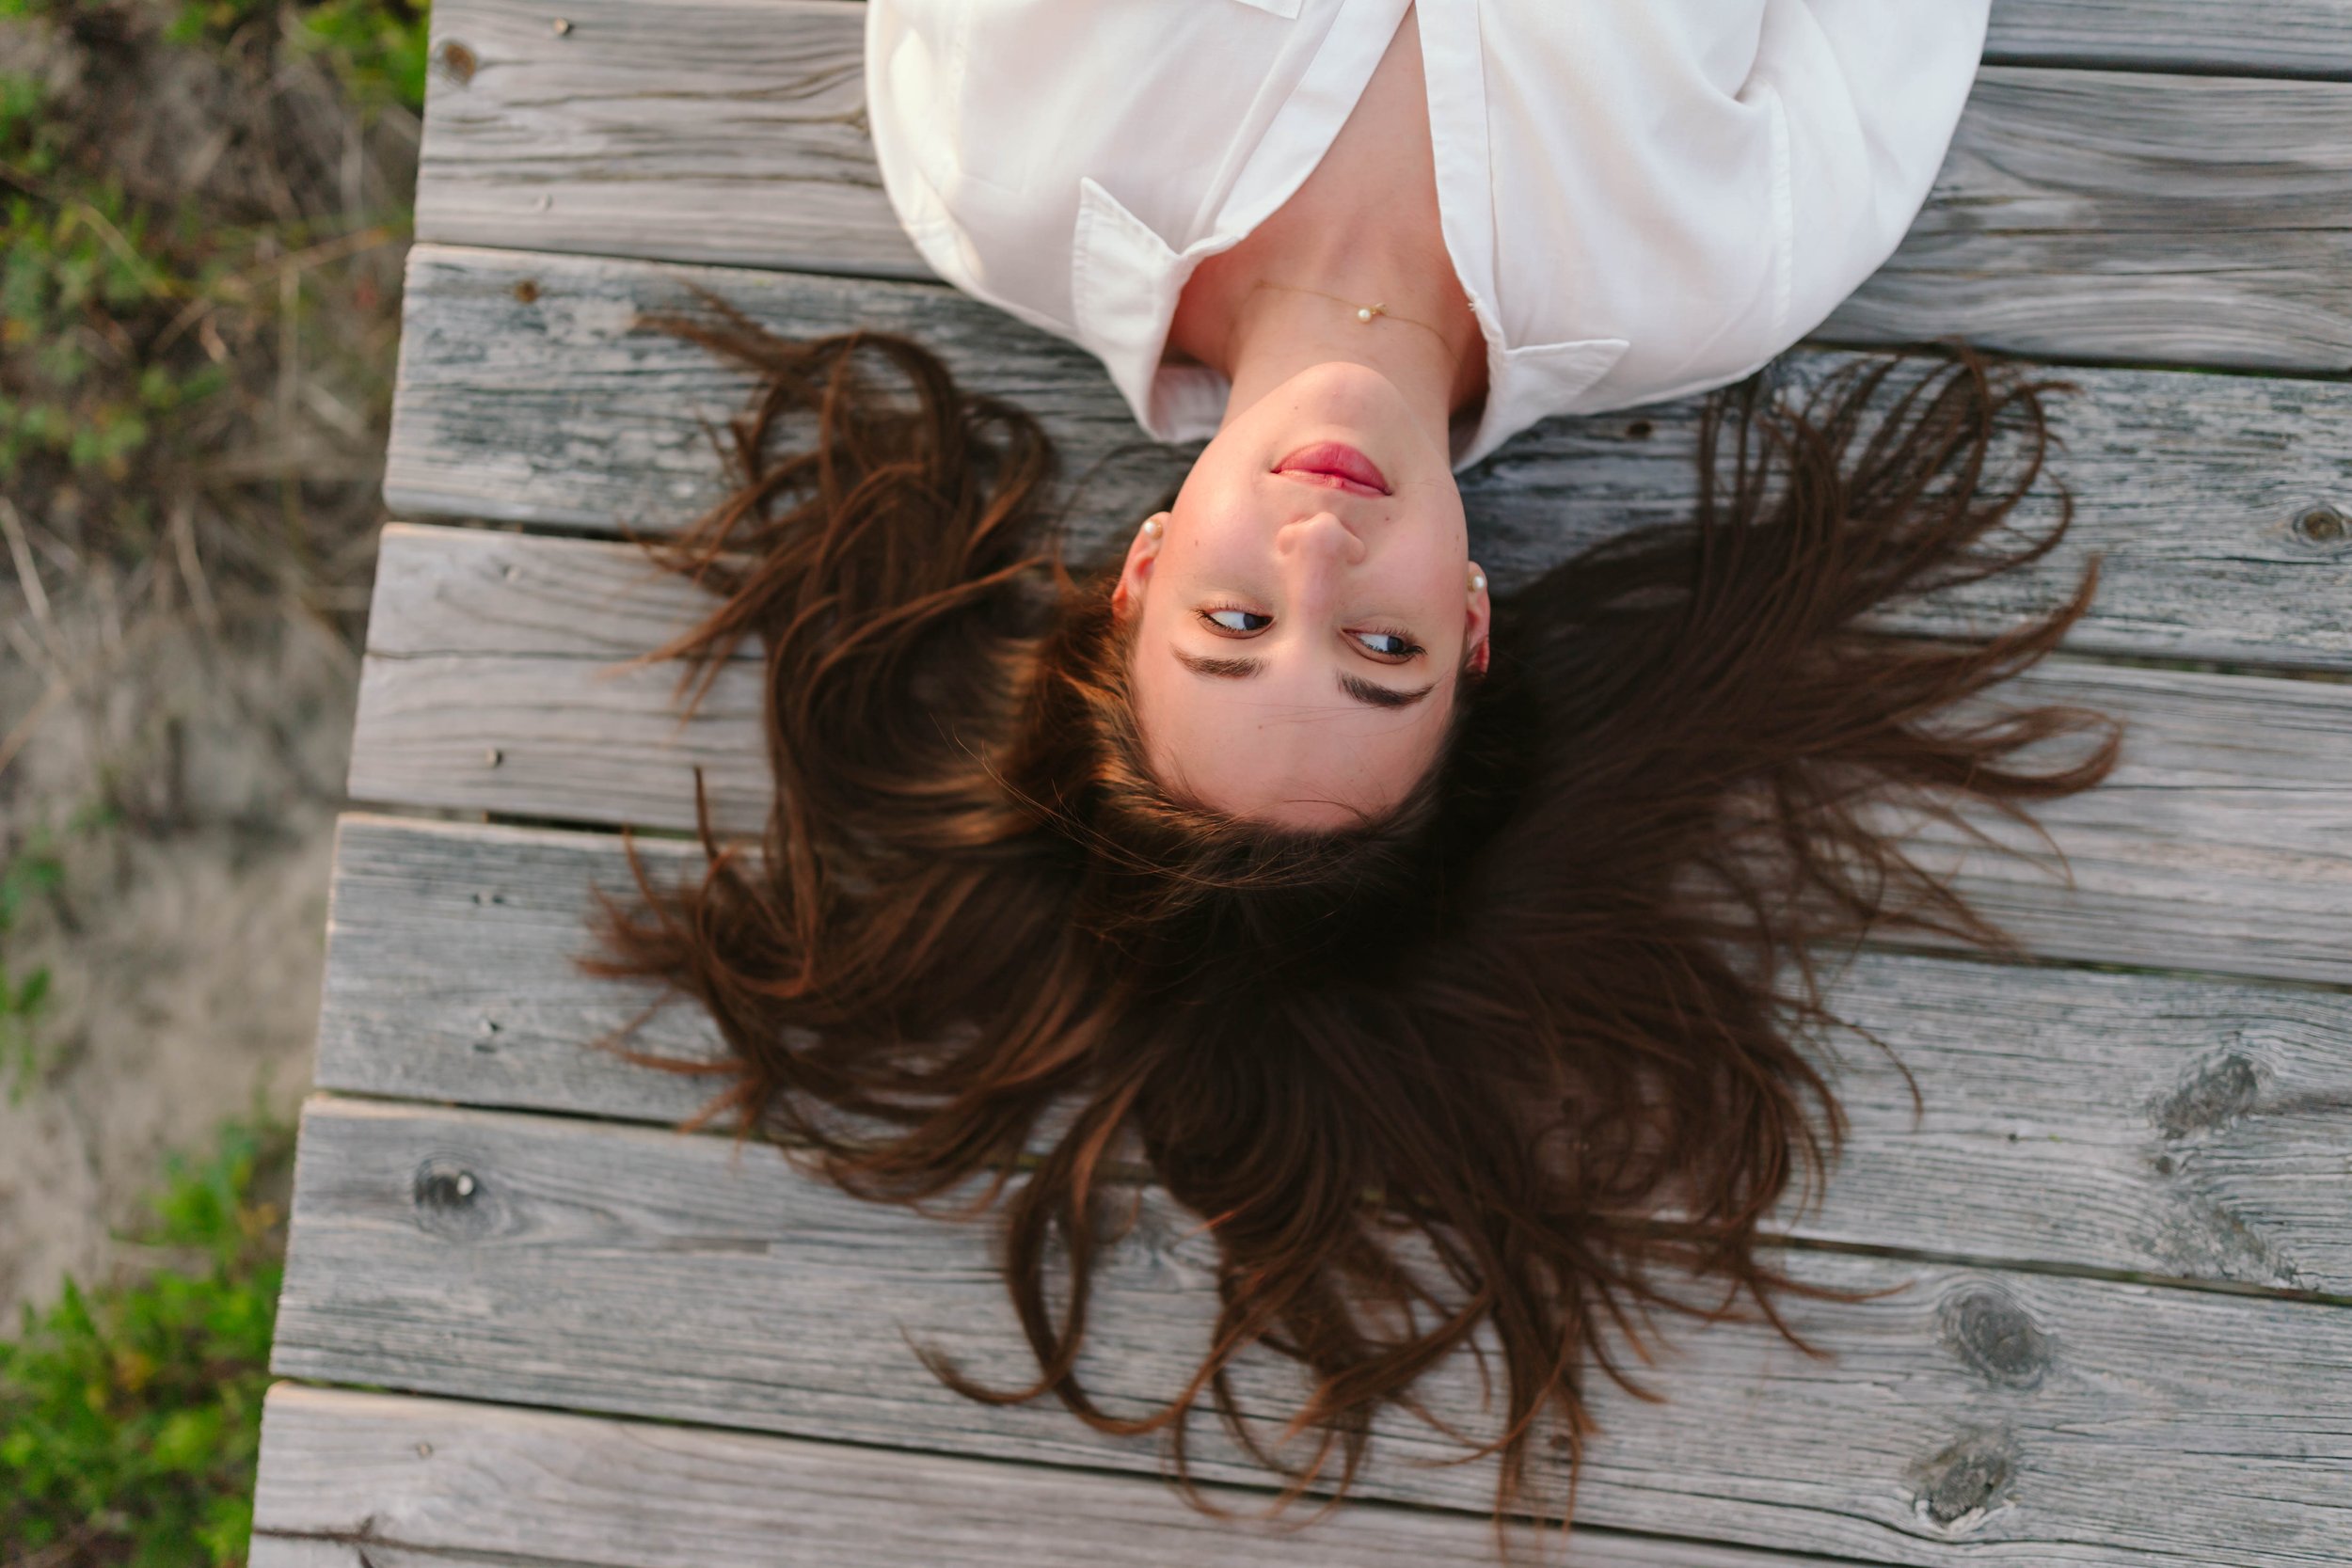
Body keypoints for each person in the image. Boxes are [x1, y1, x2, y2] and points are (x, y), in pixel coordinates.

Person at [593, 0, 2118, 1543]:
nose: (1322, 552)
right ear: (1470, 630)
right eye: (1379, 654)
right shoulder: (1714, 280)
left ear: (1138, 575)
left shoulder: (996, 176)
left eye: (1237, 623)